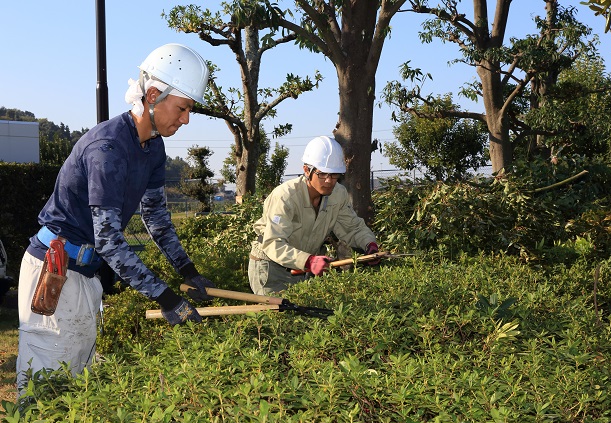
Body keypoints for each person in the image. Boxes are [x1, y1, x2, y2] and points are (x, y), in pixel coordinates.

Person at [16, 43, 216, 394]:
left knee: (78, 388)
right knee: (45, 391)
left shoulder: (153, 147)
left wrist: (187, 271)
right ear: (153, 95)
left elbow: (155, 217)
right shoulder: (107, 149)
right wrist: (166, 298)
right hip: (53, 271)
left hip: (86, 275)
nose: (185, 119)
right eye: (183, 108)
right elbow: (109, 241)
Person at [248, 135, 379, 295]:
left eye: (335, 174)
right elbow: (273, 243)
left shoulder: (338, 194)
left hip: (305, 267)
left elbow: (352, 227)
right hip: (271, 267)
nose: (329, 181)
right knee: (277, 317)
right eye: (322, 174)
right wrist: (308, 261)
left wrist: (370, 246)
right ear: (306, 170)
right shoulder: (286, 196)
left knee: (304, 316)